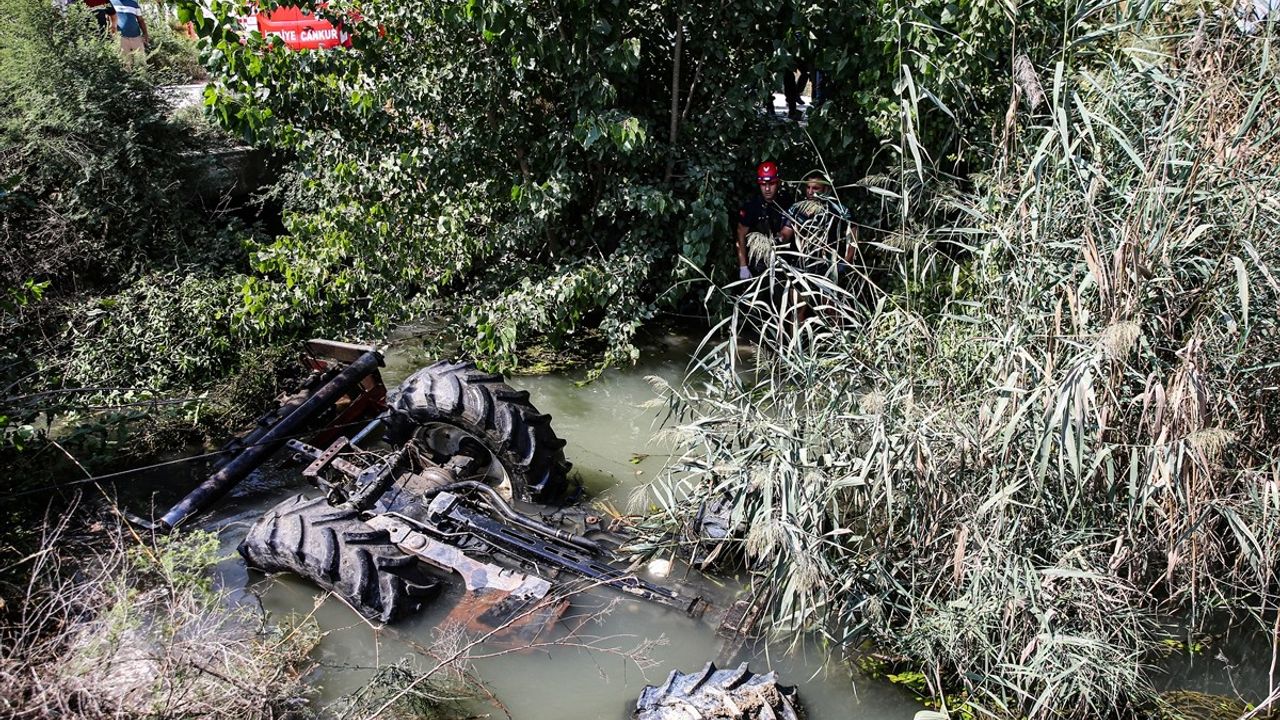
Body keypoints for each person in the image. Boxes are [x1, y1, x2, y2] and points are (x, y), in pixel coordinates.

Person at [736, 161, 794, 280]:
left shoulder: (786, 202)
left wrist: (779, 239)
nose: (767, 189)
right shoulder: (752, 206)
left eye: (771, 184)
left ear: (778, 183)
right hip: (758, 265)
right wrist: (743, 266)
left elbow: (788, 231)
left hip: (783, 261)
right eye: (763, 184)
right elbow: (741, 233)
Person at [108, 0, 149, 68]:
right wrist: (112, 36)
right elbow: (108, 20)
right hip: (121, 38)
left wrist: (145, 34)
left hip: (136, 37)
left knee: (141, 64)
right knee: (125, 65)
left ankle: (143, 78)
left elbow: (140, 20)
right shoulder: (110, 3)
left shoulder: (133, 3)